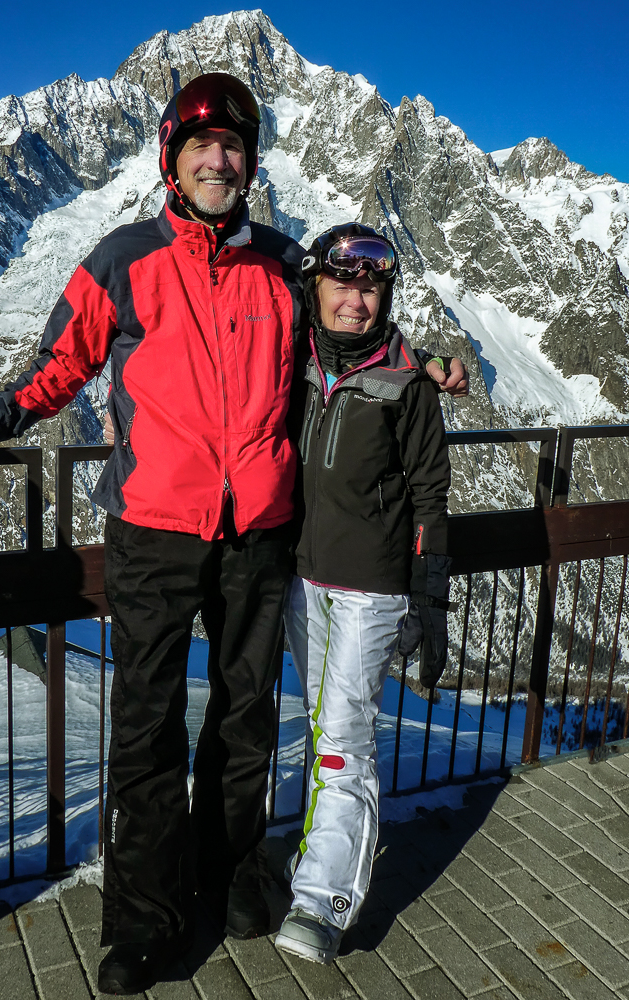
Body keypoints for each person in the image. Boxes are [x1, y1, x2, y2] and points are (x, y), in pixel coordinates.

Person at [0, 74, 466, 995]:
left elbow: (354, 335)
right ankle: (145, 920)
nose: (218, 161)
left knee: (246, 719)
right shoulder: (122, 259)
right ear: (172, 158)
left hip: (258, 535)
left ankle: (234, 879)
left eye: (234, 147)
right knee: (146, 728)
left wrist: (430, 362)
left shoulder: (283, 264)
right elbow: (58, 366)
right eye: (201, 146)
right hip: (153, 532)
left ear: (250, 164)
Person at [274, 224, 452, 965]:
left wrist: (428, 598)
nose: (356, 300)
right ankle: (319, 855)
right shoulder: (291, 359)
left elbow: (430, 493)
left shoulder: (406, 381)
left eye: (371, 288)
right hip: (299, 576)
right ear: (314, 287)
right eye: (342, 284)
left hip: (370, 587)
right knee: (323, 725)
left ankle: (323, 902)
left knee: (343, 742)